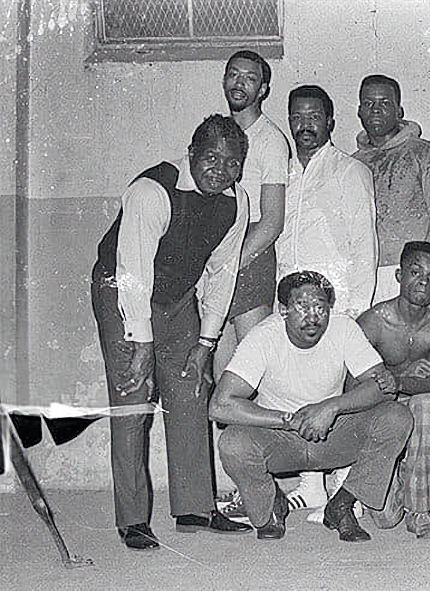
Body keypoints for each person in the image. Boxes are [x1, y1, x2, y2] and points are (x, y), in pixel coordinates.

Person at [91, 114, 253, 550]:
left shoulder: (236, 204)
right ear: (192, 153)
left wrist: (206, 343)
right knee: (133, 400)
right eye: (212, 158)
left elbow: (222, 275)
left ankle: (195, 508)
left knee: (191, 391)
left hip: (177, 298)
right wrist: (140, 344)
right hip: (121, 291)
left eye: (233, 162)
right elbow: (134, 275)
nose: (221, 170)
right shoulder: (151, 191)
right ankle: (132, 520)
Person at [209, 271, 413, 542]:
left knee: (396, 416)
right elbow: (220, 406)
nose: (313, 317)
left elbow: (383, 386)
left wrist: (331, 407)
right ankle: (271, 507)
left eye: (320, 307)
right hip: (281, 438)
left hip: (332, 433)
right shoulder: (263, 337)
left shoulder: (343, 328)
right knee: (233, 442)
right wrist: (287, 420)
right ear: (283, 310)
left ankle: (342, 505)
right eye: (301, 307)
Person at [273, 84, 378, 515]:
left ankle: (329, 486)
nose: (305, 125)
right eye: (297, 117)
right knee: (296, 388)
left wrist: (352, 313)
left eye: (314, 116)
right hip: (290, 304)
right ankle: (311, 482)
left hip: (332, 306)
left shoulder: (349, 172)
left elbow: (363, 247)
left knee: (327, 390)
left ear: (330, 121)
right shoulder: (282, 172)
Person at [356, 241, 430, 538]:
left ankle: (419, 511)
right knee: (385, 519)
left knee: (426, 403)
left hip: (420, 401)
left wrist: (397, 381)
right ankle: (402, 472)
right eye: (415, 272)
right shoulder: (373, 322)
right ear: (399, 275)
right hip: (379, 409)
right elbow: (354, 385)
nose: (423, 283)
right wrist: (402, 373)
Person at [352, 75, 430, 303]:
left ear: (399, 111)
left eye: (384, 103)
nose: (376, 109)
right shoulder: (351, 164)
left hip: (412, 278)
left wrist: (428, 275)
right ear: (359, 111)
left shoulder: (426, 154)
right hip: (363, 277)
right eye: (369, 103)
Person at [221, 50, 290, 341]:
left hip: (250, 253)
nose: (240, 83)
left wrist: (232, 263)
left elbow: (272, 221)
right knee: (214, 359)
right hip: (219, 246)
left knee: (249, 360)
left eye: (250, 78)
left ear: (262, 90)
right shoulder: (218, 133)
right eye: (234, 74)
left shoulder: (270, 140)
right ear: (224, 80)